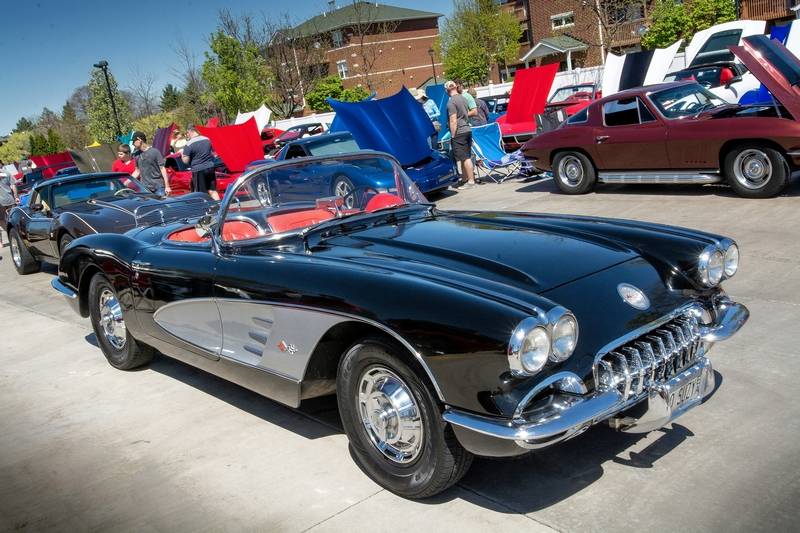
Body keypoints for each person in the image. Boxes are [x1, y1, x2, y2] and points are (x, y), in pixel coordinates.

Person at [445, 80, 476, 190]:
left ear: (447, 90)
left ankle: (471, 181)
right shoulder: (463, 98)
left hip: (459, 132)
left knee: (465, 158)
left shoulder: (451, 102)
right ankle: (464, 179)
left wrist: (453, 135)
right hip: (467, 129)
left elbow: (453, 120)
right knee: (464, 156)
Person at [182, 125, 219, 200]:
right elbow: (213, 154)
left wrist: (182, 155)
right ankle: (219, 207)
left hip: (198, 170)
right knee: (213, 190)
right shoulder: (207, 139)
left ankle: (205, 210)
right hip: (210, 167)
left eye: (187, 133)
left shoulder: (189, 144)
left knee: (201, 193)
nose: (187, 135)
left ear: (190, 131)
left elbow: (185, 161)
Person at [131, 131, 171, 196]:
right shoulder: (136, 155)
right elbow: (137, 171)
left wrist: (167, 186)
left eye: (133, 141)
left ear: (139, 139)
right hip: (145, 189)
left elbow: (162, 168)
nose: (132, 144)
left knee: (162, 205)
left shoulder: (155, 152)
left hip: (158, 187)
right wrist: (127, 181)